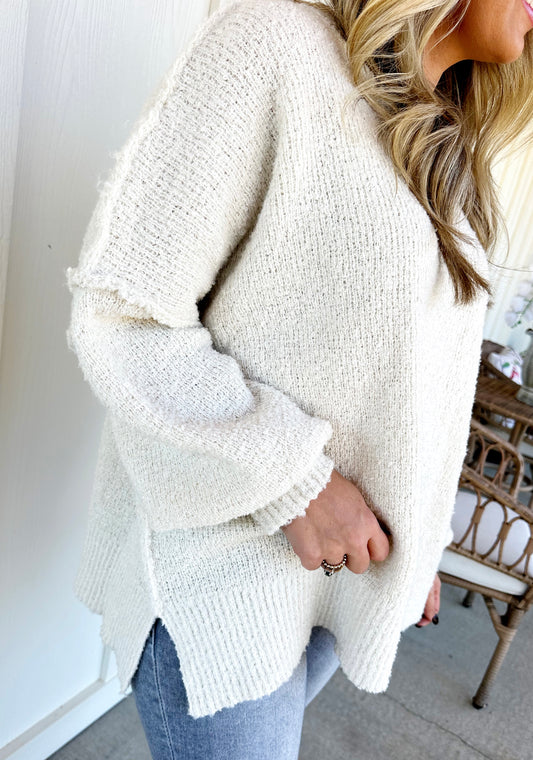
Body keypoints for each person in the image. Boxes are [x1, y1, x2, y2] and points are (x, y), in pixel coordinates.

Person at [64, 0, 533, 757]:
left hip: (339, 576)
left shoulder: (445, 139)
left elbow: (428, 386)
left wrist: (420, 543)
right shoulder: (274, 49)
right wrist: (300, 484)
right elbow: (126, 314)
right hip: (225, 573)